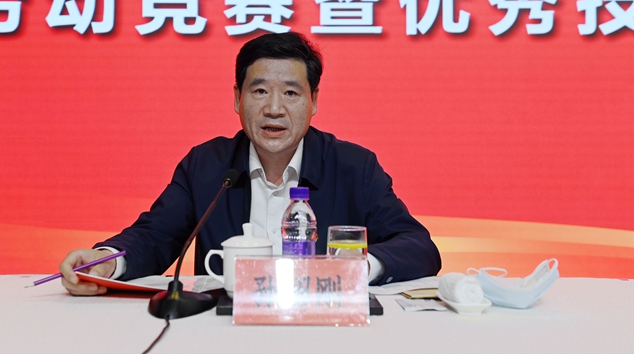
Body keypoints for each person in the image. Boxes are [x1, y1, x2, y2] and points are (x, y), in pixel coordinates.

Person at [60, 32, 441, 295]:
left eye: (290, 93)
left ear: (313, 101)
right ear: (237, 98)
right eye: (259, 91)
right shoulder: (207, 165)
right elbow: (155, 235)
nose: (274, 108)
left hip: (324, 330)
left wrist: (356, 269)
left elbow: (418, 246)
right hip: (225, 331)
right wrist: (106, 262)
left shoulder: (354, 167)